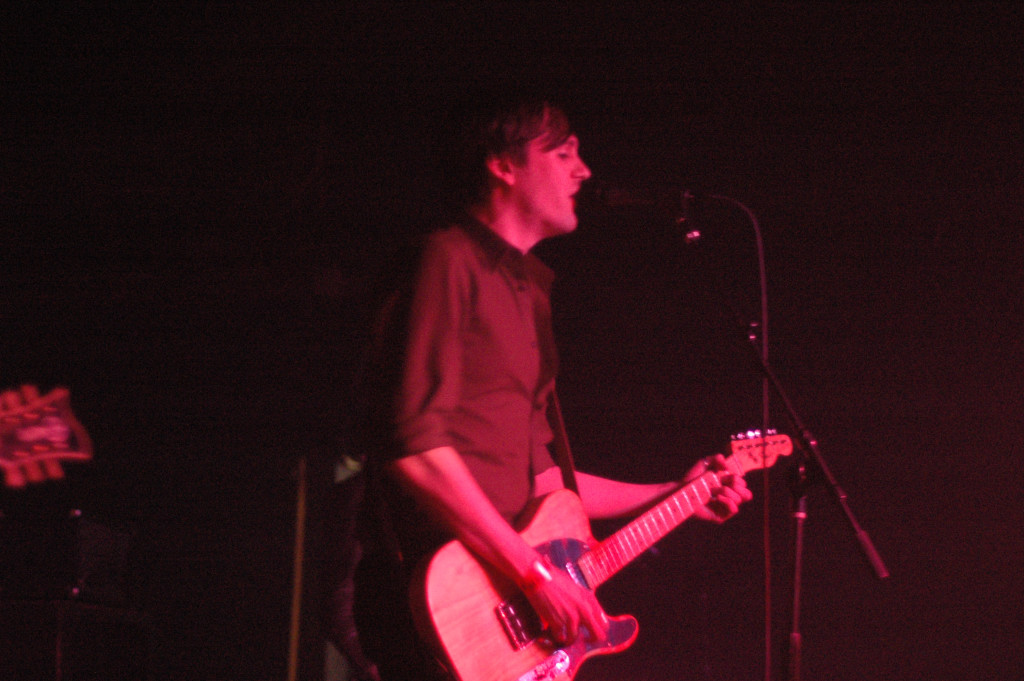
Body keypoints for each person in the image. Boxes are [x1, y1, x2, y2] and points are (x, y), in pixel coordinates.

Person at [346, 96, 753, 681]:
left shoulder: (531, 294)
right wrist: (534, 575)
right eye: (563, 153)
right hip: (444, 595)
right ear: (502, 165)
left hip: (509, 607)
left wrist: (675, 495)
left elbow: (547, 486)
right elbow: (415, 450)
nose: (583, 171)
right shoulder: (448, 259)